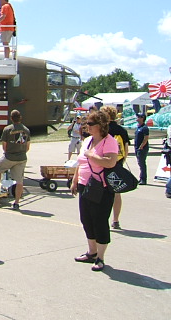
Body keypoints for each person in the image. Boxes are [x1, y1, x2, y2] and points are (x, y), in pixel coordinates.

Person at [70, 110, 118, 272]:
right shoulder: (88, 140)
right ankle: (91, 251)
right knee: (86, 219)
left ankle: (101, 257)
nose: (87, 126)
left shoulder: (109, 141)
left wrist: (92, 156)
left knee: (99, 221)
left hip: (101, 187)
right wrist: (75, 179)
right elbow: (81, 162)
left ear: (100, 125)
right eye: (86, 123)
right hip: (85, 185)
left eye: (90, 124)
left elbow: (111, 162)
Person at [0, 109, 30, 210]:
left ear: (11, 118)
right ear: (20, 118)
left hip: (10, 157)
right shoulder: (26, 130)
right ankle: (17, 202)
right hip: (22, 158)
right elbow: (27, 147)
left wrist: (9, 153)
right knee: (19, 181)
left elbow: (4, 146)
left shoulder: (7, 129)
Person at [100, 105, 130, 229]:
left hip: (104, 163)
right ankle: (116, 220)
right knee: (117, 193)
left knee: (102, 193)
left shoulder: (103, 130)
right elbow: (126, 149)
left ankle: (103, 219)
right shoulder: (122, 130)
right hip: (117, 163)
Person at [134, 112, 149, 185]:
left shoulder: (144, 128)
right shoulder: (138, 127)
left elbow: (146, 138)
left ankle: (143, 179)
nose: (137, 118)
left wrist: (141, 146)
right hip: (137, 148)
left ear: (142, 118)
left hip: (142, 149)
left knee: (142, 163)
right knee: (139, 163)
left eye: (139, 117)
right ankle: (141, 178)